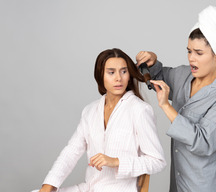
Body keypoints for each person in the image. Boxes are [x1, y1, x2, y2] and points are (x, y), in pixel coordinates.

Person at [136, 5, 216, 192]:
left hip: (203, 185)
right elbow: (158, 77)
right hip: (178, 180)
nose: (191, 58)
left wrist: (166, 106)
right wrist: (152, 60)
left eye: (199, 53)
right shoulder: (183, 75)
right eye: (189, 51)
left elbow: (204, 142)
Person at [32, 48, 166, 192]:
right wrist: (48, 185)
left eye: (124, 71)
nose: (118, 78)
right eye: (111, 72)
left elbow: (157, 161)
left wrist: (116, 162)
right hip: (89, 188)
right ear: (100, 76)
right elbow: (71, 152)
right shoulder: (90, 111)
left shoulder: (140, 110)